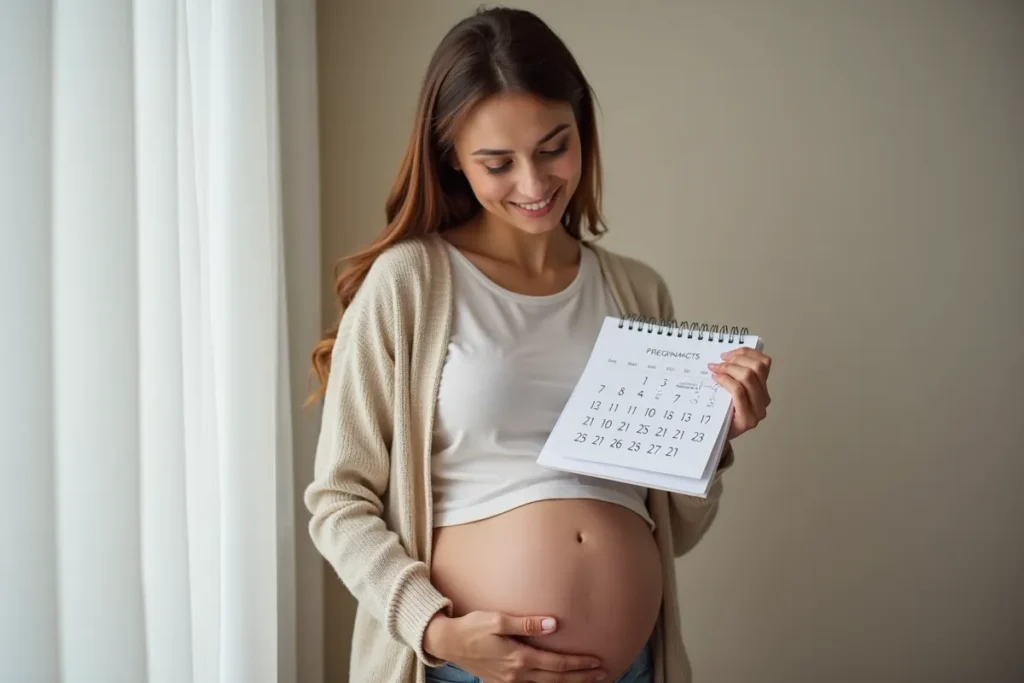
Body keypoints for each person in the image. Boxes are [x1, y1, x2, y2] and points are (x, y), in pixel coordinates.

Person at [304, 7, 772, 683]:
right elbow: (338, 500)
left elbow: (679, 532)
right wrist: (435, 630)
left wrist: (713, 439)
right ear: (453, 159)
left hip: (632, 669)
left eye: (554, 148)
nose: (533, 184)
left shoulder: (638, 292)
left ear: (581, 128)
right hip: (468, 669)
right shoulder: (409, 283)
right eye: (498, 163)